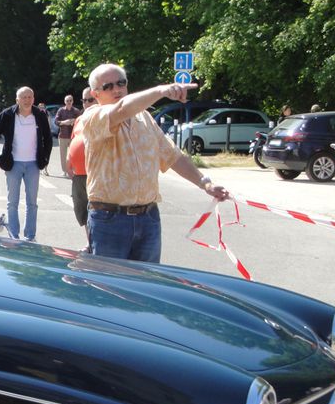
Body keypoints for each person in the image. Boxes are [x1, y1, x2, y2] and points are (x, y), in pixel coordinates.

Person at [81, 63, 229, 263]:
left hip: (148, 218)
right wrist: (162, 90)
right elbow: (122, 109)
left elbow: (173, 156)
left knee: (147, 287)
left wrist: (206, 183)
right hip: (110, 219)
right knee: (110, 289)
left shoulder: (145, 118)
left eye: (120, 83)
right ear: (95, 94)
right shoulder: (92, 117)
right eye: (107, 86)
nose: (116, 89)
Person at [0, 86, 53, 241]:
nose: (27, 100)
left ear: (33, 99)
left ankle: (30, 236)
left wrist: (45, 159)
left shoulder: (39, 115)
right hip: (13, 164)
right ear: (17, 100)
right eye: (23, 97)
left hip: (33, 165)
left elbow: (48, 139)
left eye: (30, 97)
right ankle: (14, 236)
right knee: (13, 202)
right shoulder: (8, 115)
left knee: (32, 203)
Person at [65, 88, 95, 246]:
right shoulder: (79, 119)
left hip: (95, 174)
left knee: (96, 212)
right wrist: (69, 162)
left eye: (90, 100)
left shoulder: (104, 118)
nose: (87, 103)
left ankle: (97, 245)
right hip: (78, 174)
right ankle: (90, 243)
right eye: (84, 100)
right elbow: (73, 141)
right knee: (82, 211)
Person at [54, 95, 82, 175]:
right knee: (63, 155)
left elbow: (81, 121)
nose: (69, 102)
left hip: (73, 136)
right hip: (63, 136)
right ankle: (65, 171)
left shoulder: (76, 111)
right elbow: (56, 121)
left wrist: (74, 121)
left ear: (72, 101)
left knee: (73, 154)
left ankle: (73, 170)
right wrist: (64, 122)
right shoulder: (61, 110)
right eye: (67, 101)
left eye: (70, 100)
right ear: (64, 102)